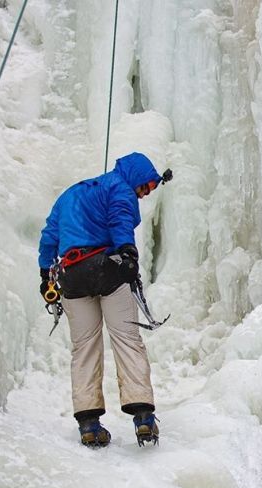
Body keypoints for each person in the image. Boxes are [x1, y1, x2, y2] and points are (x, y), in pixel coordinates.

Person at [38, 152, 171, 447]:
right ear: (135, 176)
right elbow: (120, 219)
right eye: (146, 186)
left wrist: (45, 272)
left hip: (71, 276)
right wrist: (128, 253)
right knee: (126, 339)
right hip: (106, 268)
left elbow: (49, 236)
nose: (145, 193)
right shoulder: (120, 189)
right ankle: (144, 418)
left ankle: (88, 424)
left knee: (84, 347)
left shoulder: (70, 195)